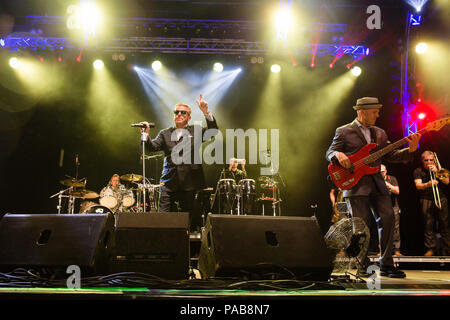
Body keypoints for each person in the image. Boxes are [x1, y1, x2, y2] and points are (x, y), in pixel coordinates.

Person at [326, 96, 421, 278]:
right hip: (355, 183)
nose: (378, 115)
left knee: (388, 220)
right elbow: (329, 152)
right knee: (361, 227)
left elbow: (391, 155)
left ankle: (386, 263)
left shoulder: (380, 132)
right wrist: (338, 154)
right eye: (374, 112)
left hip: (377, 183)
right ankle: (363, 265)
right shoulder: (344, 131)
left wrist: (411, 149)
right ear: (362, 112)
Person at [140, 94, 218, 232]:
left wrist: (206, 112)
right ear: (174, 115)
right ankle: (163, 244)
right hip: (169, 182)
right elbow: (152, 147)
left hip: (190, 183)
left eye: (184, 112)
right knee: (163, 216)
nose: (180, 114)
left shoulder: (196, 130)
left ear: (189, 117)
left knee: (187, 219)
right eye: (177, 112)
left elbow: (213, 131)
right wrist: (145, 134)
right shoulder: (165, 133)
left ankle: (186, 246)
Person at [413, 151, 450, 256]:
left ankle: (448, 248)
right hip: (426, 199)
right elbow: (418, 186)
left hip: (441, 198)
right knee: (428, 224)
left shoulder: (440, 168)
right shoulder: (418, 171)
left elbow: (447, 181)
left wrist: (437, 171)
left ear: (434, 160)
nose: (429, 162)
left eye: (431, 160)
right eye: (426, 160)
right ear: (422, 161)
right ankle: (431, 248)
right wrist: (428, 184)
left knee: (445, 224)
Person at [380, 164, 402, 256]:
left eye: (383, 171)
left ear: (386, 171)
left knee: (395, 228)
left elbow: (397, 191)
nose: (381, 173)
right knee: (381, 228)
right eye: (379, 172)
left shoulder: (391, 179)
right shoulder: (375, 180)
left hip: (393, 206)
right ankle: (382, 250)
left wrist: (388, 185)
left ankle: (396, 250)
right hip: (381, 206)